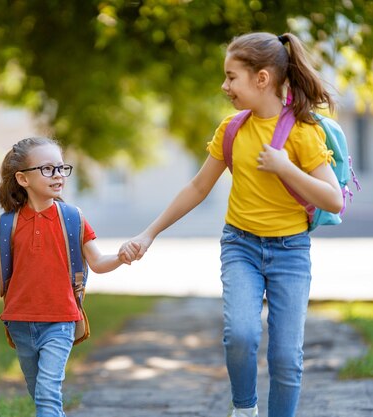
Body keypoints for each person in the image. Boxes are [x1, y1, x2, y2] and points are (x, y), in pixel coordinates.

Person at [119, 32, 343, 417]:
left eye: (231, 76)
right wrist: (149, 233)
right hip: (241, 246)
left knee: (287, 356)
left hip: (290, 252)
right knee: (240, 334)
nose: (225, 86)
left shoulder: (304, 133)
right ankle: (244, 408)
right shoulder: (232, 129)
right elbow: (197, 186)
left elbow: (334, 198)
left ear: (262, 79)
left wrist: (285, 167)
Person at [0, 136, 138, 417]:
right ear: (23, 179)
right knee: (39, 393)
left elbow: (97, 261)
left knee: (47, 393)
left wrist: (120, 257)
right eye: (47, 169)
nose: (58, 175)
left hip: (61, 320)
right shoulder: (7, 223)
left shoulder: (72, 218)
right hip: (20, 322)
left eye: (61, 168)